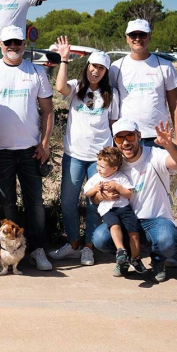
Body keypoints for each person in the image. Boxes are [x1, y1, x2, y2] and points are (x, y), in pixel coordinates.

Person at [0, 25, 55, 271]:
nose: (13, 46)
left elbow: (48, 110)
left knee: (36, 204)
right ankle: (10, 253)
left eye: (17, 42)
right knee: (8, 204)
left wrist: (44, 144)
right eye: (8, 42)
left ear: (24, 43)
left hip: (31, 150)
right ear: (0, 44)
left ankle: (38, 250)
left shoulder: (36, 71)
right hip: (0, 152)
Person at [48, 37, 118, 267]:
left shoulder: (111, 95)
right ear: (86, 67)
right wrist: (64, 60)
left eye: (100, 68)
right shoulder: (77, 89)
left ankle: (88, 247)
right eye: (92, 66)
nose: (95, 71)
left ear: (105, 71)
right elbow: (59, 87)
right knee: (68, 201)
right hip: (74, 155)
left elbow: (114, 125)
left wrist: (114, 157)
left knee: (93, 203)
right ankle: (73, 244)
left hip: (99, 159)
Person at [90, 119, 177, 283]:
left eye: (129, 136)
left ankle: (158, 261)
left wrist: (169, 145)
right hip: (125, 219)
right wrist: (102, 196)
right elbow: (93, 198)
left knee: (167, 240)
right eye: (120, 139)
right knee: (100, 238)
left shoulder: (154, 155)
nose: (125, 143)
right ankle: (127, 257)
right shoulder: (115, 164)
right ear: (114, 141)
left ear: (139, 136)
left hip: (156, 219)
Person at [109, 19, 177, 147]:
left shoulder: (165, 66)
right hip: (126, 136)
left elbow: (175, 103)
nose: (137, 39)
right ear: (127, 38)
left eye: (142, 34)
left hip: (158, 137)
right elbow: (110, 104)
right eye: (133, 35)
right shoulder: (116, 67)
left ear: (149, 36)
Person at [83, 147, 145, 276]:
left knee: (133, 233)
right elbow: (87, 193)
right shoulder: (96, 178)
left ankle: (135, 258)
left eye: (103, 167)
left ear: (114, 168)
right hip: (108, 209)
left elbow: (129, 194)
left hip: (124, 208)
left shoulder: (120, 177)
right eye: (98, 164)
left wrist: (117, 186)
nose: (99, 168)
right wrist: (95, 189)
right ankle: (121, 251)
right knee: (114, 226)